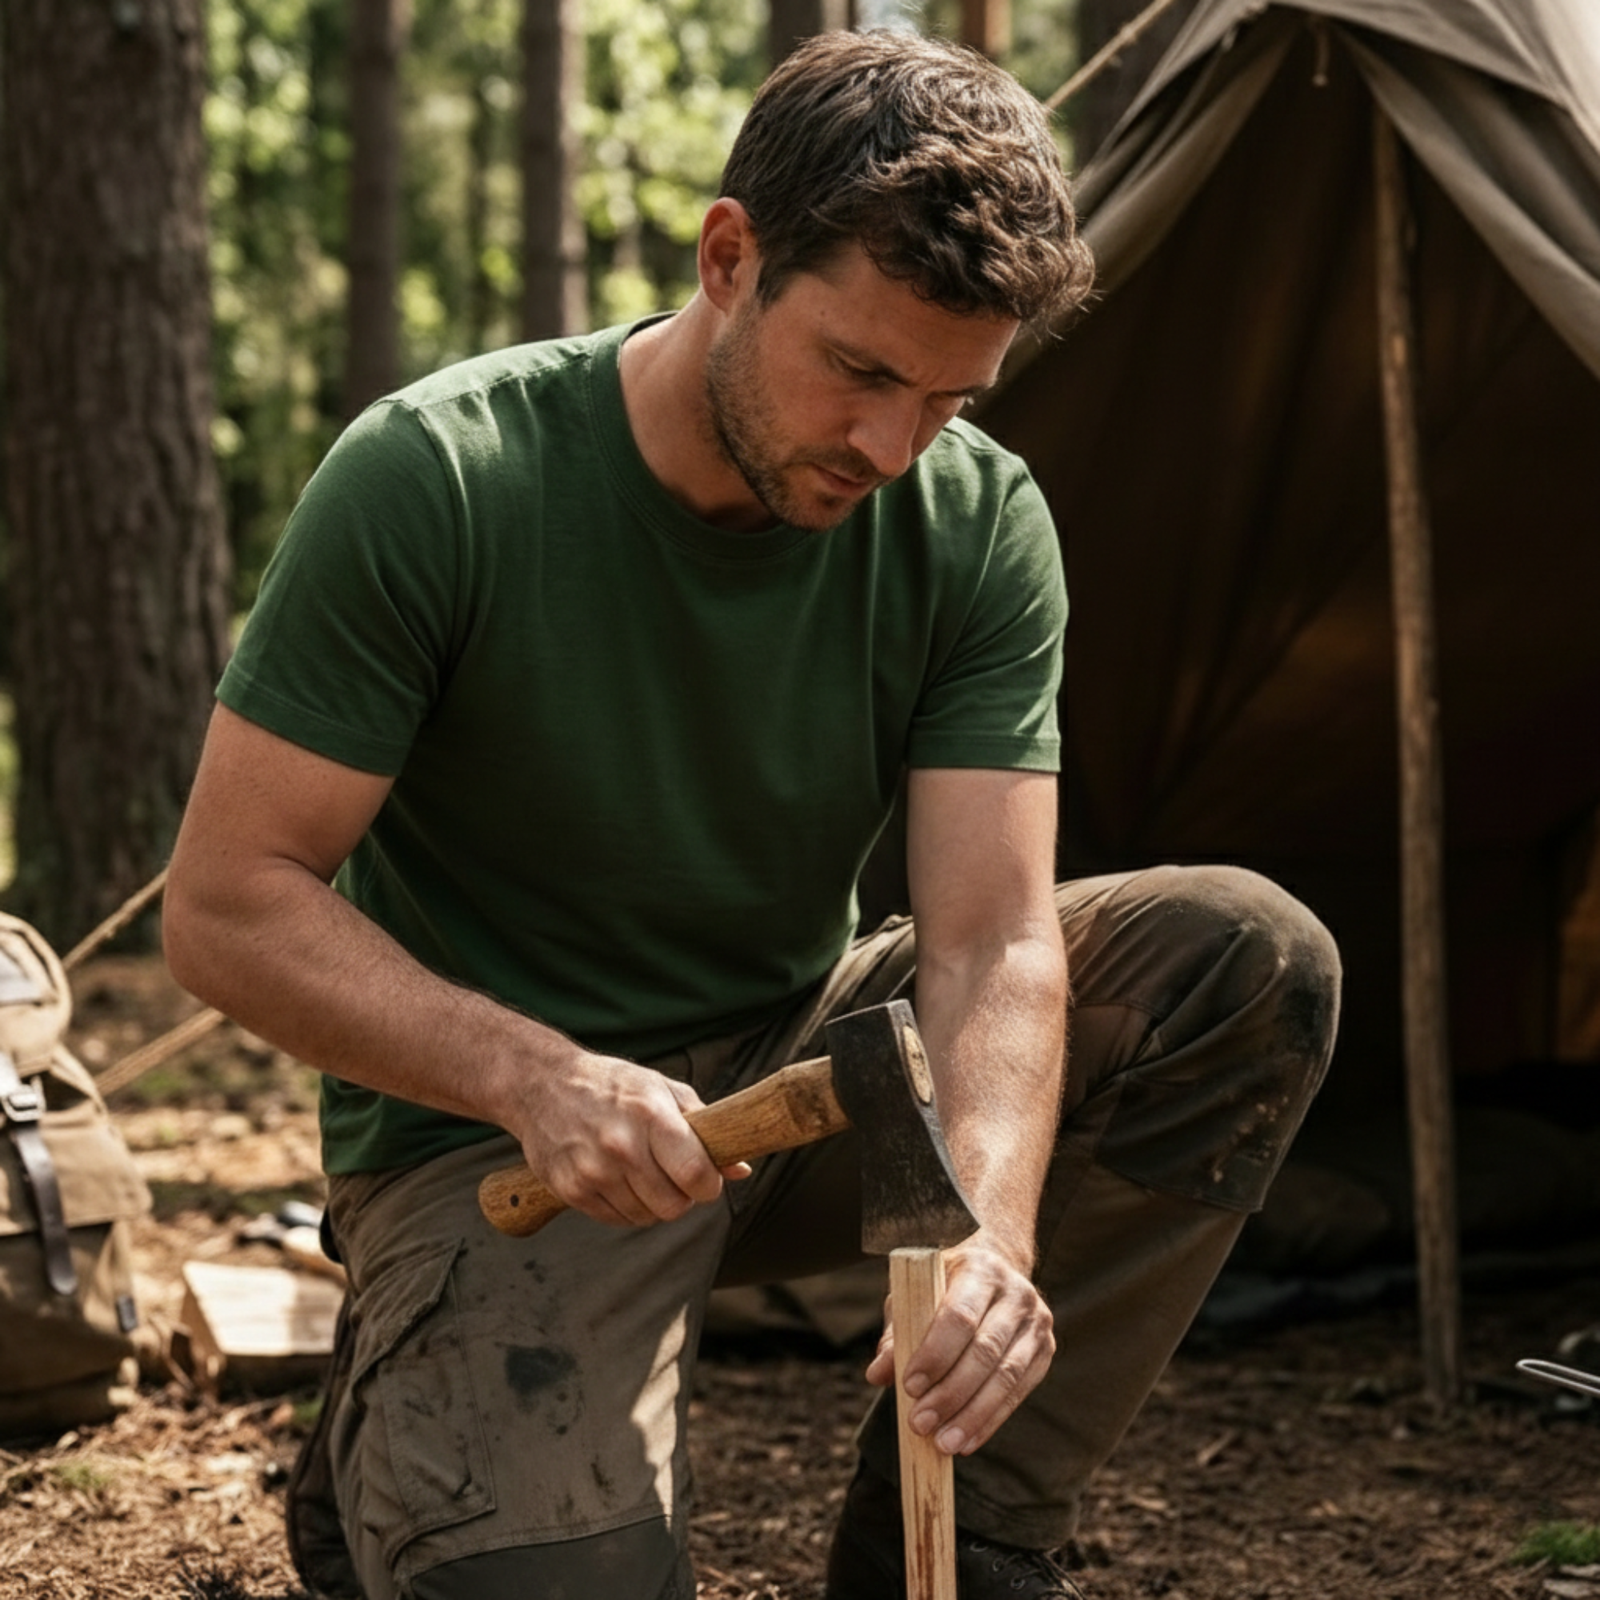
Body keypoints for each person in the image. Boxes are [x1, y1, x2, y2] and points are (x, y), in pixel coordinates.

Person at [164, 28, 1340, 1600]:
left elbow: (993, 940)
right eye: (858, 370)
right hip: (500, 1138)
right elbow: (227, 903)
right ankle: (404, 1412)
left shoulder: (974, 520)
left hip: (805, 1080)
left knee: (1245, 961)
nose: (889, 446)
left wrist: (987, 1238)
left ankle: (960, 1537)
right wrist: (535, 1075)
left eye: (948, 396)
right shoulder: (440, 476)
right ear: (731, 257)